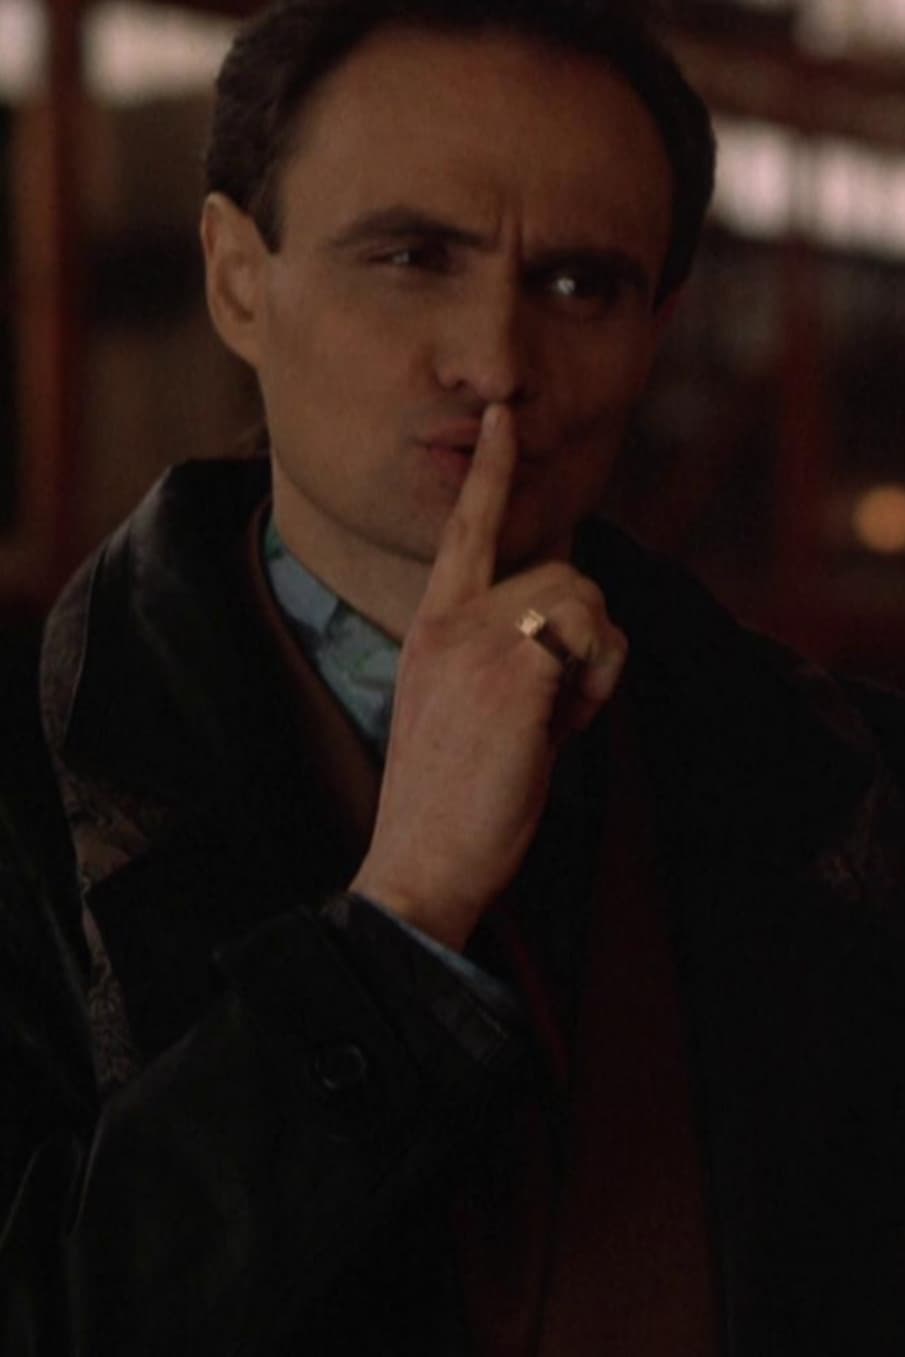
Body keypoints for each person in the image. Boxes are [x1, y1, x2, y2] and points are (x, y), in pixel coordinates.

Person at [4, 0, 905, 1352]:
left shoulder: (853, 787)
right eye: (412, 256)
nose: (495, 362)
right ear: (237, 280)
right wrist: (402, 922)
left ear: (656, 327)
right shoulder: (30, 785)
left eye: (579, 285)